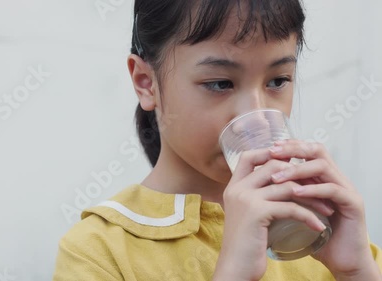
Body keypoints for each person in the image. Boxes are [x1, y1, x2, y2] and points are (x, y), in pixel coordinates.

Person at [53, 0, 382, 280]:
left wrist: (357, 272)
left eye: (278, 80)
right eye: (221, 84)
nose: (255, 112)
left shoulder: (320, 231)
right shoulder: (99, 252)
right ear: (145, 82)